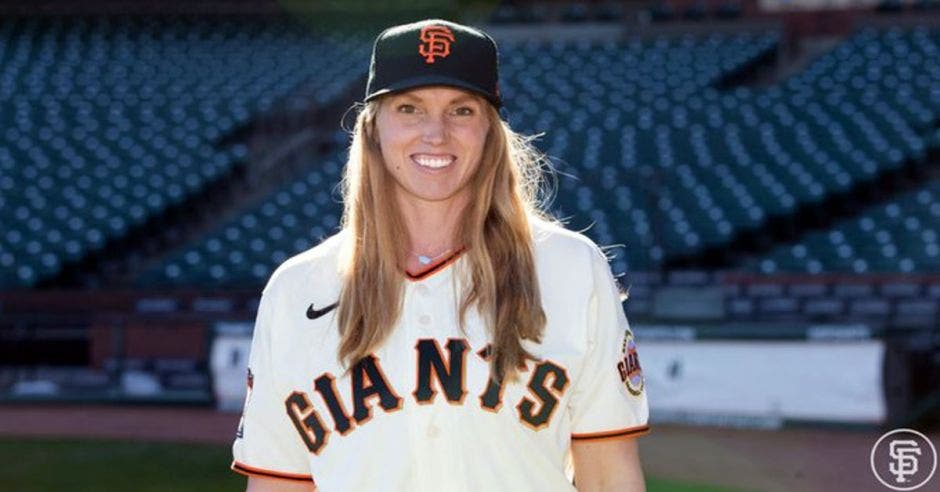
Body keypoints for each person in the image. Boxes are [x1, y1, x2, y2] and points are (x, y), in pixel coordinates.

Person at [231, 18, 649, 492]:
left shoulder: (570, 268)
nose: (436, 133)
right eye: (409, 108)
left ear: (491, 132)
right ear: (373, 131)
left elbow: (609, 475)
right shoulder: (298, 289)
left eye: (461, 110)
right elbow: (278, 484)